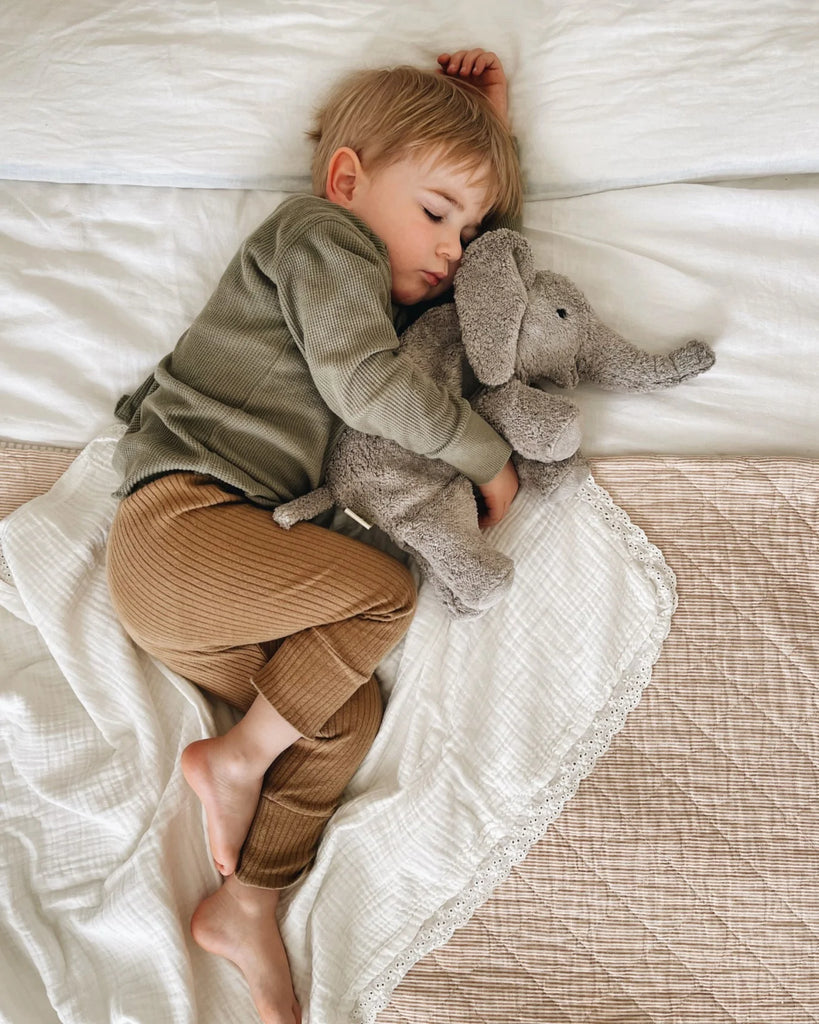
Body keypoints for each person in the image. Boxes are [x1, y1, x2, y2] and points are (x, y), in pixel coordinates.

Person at [105, 48, 522, 1024]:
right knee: (384, 591)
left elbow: (501, 285)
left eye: (468, 229)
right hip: (179, 533)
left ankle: (249, 900)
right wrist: (484, 453)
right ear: (347, 179)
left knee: (346, 714)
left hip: (205, 585)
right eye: (435, 214)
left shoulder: (377, 278)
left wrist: (499, 134)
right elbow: (361, 384)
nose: (455, 248)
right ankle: (240, 758)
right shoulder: (321, 237)